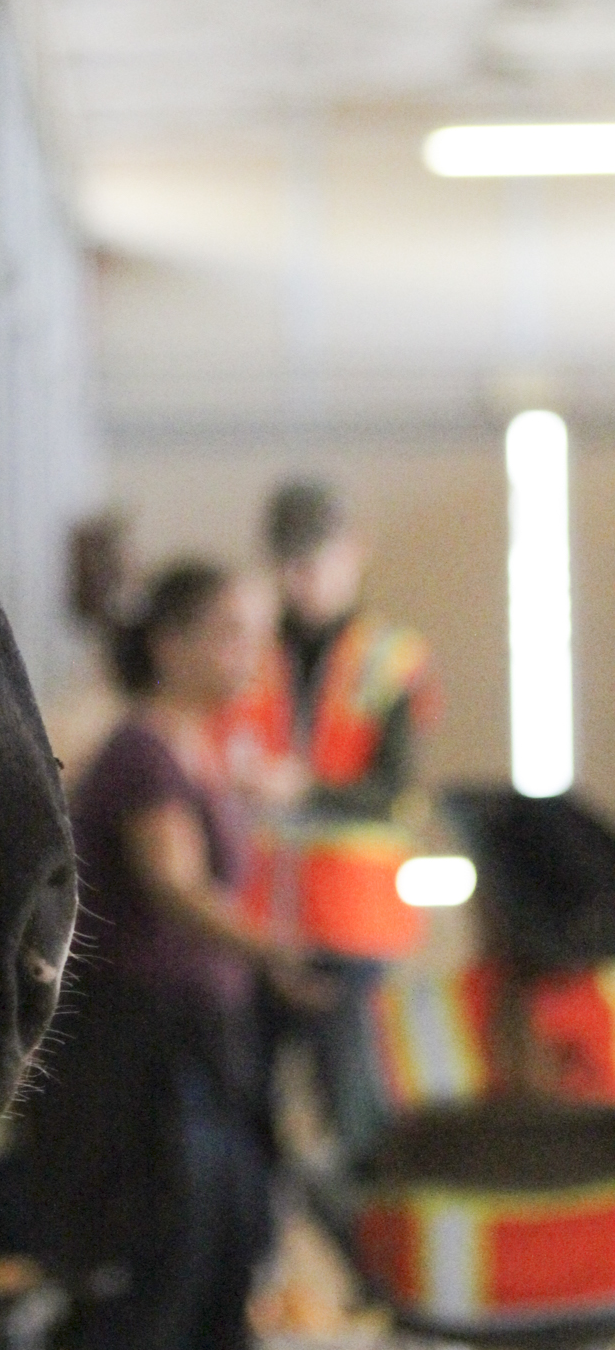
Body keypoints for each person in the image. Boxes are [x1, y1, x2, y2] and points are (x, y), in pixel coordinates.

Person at [27, 561, 331, 1350]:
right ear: (170, 643)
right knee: (151, 1300)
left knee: (220, 1287)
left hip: (208, 1053)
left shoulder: (201, 749)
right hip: (147, 1069)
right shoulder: (144, 754)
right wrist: (279, 949)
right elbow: (173, 885)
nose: (250, 656)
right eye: (230, 633)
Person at [221, 480, 438, 1156]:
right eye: (286, 564)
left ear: (354, 552)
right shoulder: (246, 651)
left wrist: (302, 790)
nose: (299, 581)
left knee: (352, 1122)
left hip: (350, 926)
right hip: (251, 921)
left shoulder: (392, 661)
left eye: (313, 562)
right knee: (241, 1118)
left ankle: (370, 1256)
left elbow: (397, 792)